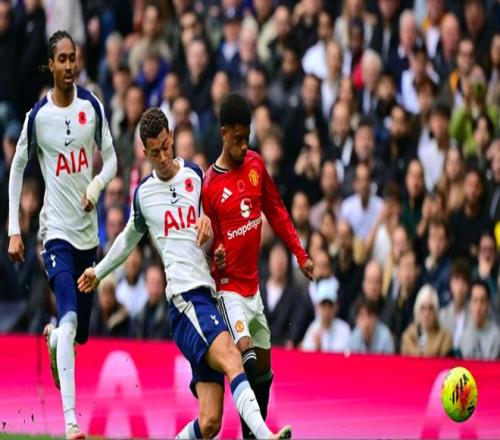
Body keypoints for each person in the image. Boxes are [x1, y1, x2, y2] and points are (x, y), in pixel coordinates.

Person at [77, 108, 291, 440]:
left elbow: (212, 224)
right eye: (155, 152)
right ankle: (264, 435)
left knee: (210, 422)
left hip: (210, 295)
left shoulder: (194, 175)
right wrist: (98, 271)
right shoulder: (144, 195)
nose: (163, 157)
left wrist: (212, 234)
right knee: (233, 356)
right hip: (186, 300)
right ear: (144, 152)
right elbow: (127, 240)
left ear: (172, 137)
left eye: (166, 146)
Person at [7, 31, 117, 440]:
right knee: (69, 316)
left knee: (78, 333)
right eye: (63, 59)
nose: (70, 66)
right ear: (50, 65)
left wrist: (97, 186)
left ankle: (56, 341)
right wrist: (14, 228)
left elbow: (112, 161)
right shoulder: (38, 117)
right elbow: (17, 168)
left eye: (74, 58)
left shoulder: (92, 106)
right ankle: (71, 422)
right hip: (55, 235)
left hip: (88, 239)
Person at [202, 92, 314, 439]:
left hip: (254, 289)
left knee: (264, 372)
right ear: (224, 134)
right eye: (237, 139)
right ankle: (262, 433)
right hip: (228, 290)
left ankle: (252, 435)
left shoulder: (255, 166)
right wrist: (215, 254)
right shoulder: (210, 185)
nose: (243, 146)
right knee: (246, 354)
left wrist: (300, 254)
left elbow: (277, 211)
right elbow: (205, 243)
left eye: (246, 138)